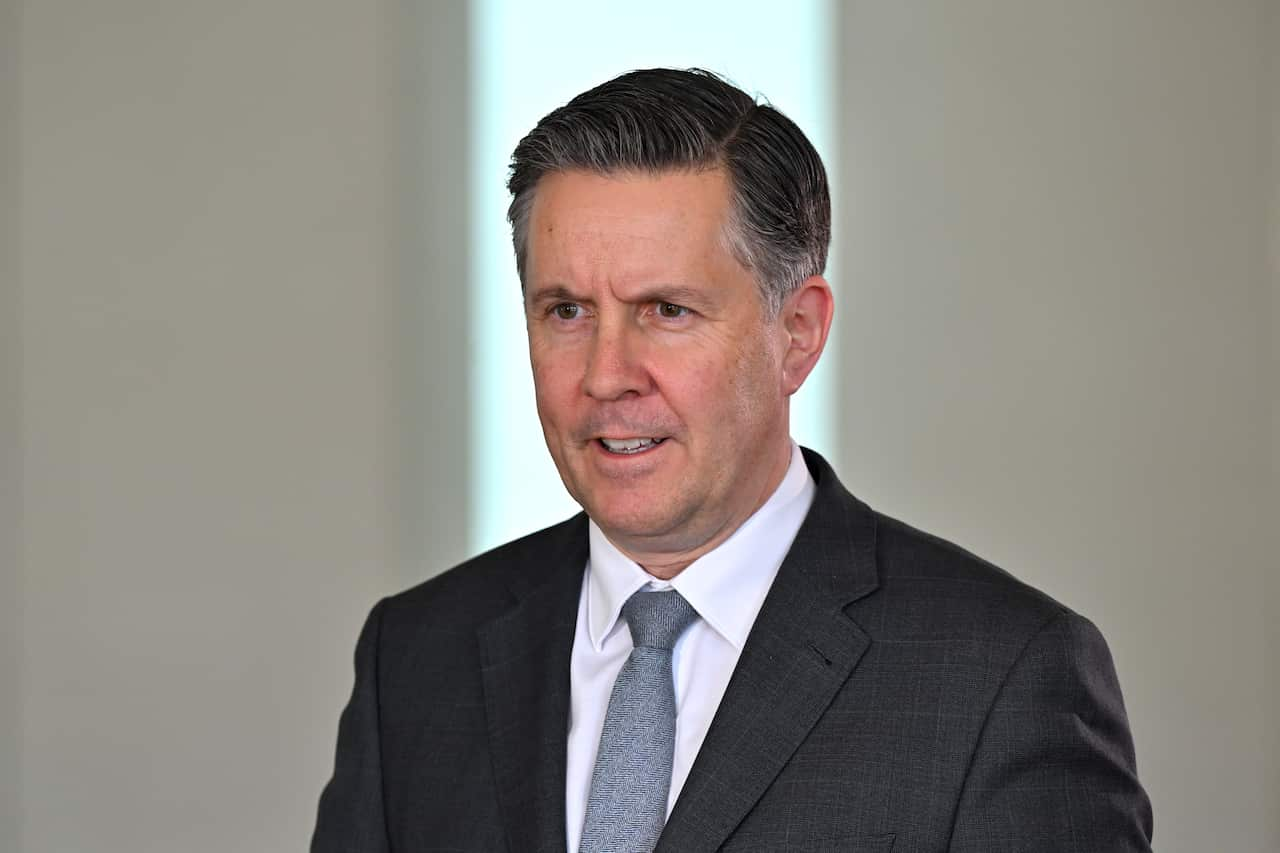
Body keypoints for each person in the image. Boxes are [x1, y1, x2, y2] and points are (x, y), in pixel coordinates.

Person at [312, 68, 1153, 853]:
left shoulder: (1002, 677)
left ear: (798, 333)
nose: (607, 375)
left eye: (667, 310)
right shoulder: (416, 657)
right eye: (566, 310)